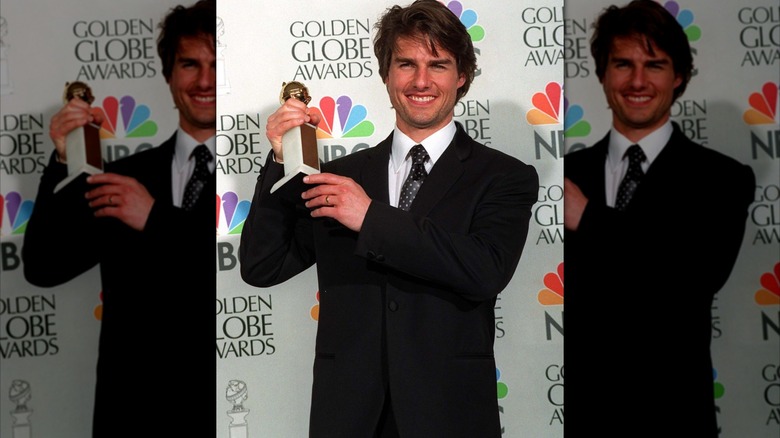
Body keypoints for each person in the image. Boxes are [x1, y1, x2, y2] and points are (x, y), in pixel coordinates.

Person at [239, 1, 539, 436]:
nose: (421, 81)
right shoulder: (341, 177)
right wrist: (280, 163)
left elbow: (485, 270)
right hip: (347, 417)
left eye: (438, 64)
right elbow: (262, 267)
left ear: (462, 77)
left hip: (450, 416)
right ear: (385, 74)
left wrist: (370, 217)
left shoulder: (503, 176)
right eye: (406, 63)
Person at [21, 1, 215, 436]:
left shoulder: (254, 180)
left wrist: (156, 219)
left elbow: (238, 272)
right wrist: (62, 160)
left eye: (217, 65)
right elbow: (43, 266)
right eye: (189, 64)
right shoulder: (125, 178)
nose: (205, 81)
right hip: (131, 411)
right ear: (168, 74)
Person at [563, 1, 755, 436]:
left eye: (655, 65)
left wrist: (589, 218)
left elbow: (692, 275)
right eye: (623, 64)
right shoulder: (566, 176)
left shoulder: (721, 179)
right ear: (602, 74)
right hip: (581, 416)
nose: (637, 81)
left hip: (674, 415)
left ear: (679, 76)